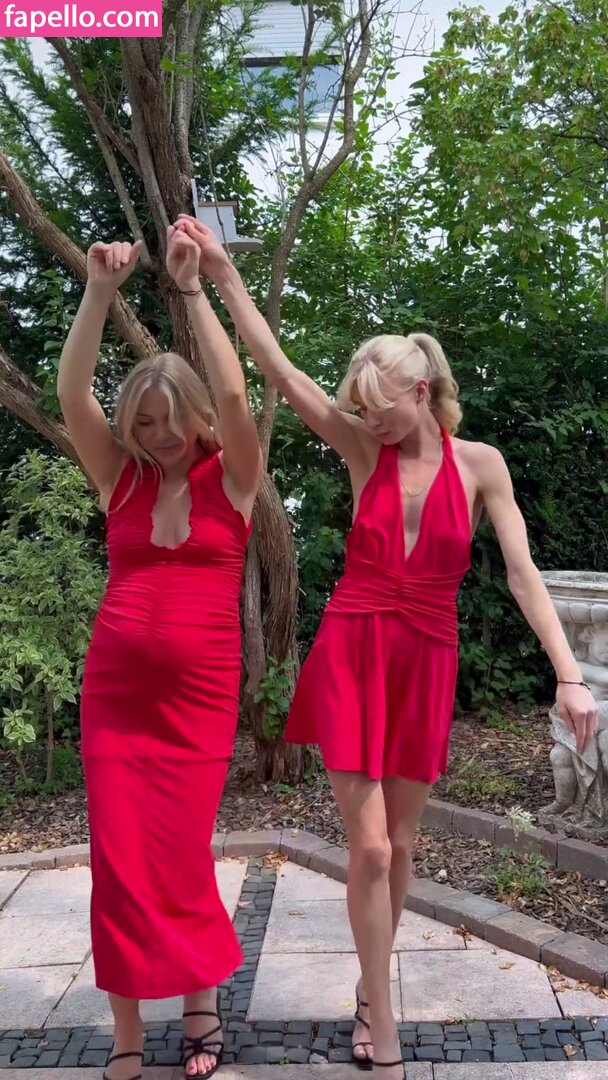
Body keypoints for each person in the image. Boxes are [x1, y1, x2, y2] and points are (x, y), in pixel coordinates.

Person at [174, 213, 598, 1080]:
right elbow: (281, 371)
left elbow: (523, 576)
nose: (369, 421)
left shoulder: (480, 465)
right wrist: (218, 274)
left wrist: (569, 674)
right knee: (368, 849)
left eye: (381, 408)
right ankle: (386, 1018)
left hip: (425, 662)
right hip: (354, 651)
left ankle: (369, 994)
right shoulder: (364, 450)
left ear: (422, 392)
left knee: (401, 849)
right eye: (361, 411)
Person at [57, 227, 262, 1080]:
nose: (160, 435)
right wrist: (98, 292)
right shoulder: (122, 477)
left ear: (196, 417)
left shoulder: (235, 476)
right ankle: (129, 1032)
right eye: (144, 422)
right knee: (118, 861)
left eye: (171, 421)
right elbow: (71, 393)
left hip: (199, 701)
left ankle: (201, 1001)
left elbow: (236, 391)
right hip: (116, 698)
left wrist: (196, 288)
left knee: (179, 855)